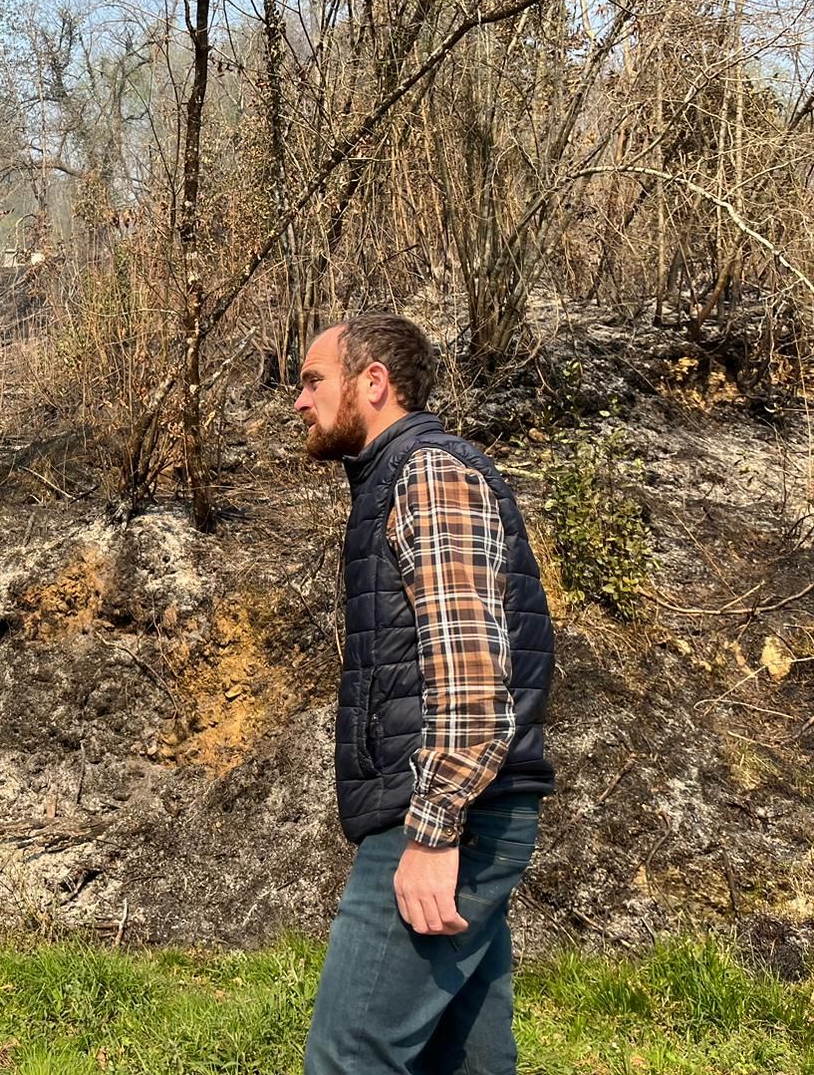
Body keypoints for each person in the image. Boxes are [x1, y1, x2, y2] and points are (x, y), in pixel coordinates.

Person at [294, 314, 555, 1075]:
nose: (300, 402)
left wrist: (435, 831)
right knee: (465, 1061)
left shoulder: (428, 473)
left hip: (450, 817)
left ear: (373, 382)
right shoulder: (394, 479)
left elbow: (473, 674)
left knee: (349, 1057)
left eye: (314, 381)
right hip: (473, 813)